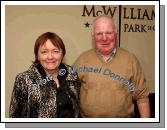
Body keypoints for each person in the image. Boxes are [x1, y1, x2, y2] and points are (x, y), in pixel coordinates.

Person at [74, 15, 150, 118]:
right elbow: (69, 93)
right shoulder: (82, 60)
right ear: (93, 37)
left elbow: (142, 97)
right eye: (99, 34)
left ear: (116, 34)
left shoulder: (130, 59)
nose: (104, 38)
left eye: (109, 33)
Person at [9, 32, 80, 118]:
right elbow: (15, 116)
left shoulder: (72, 75)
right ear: (37, 56)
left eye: (55, 51)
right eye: (44, 52)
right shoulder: (24, 80)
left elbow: (77, 109)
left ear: (62, 54)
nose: (50, 57)